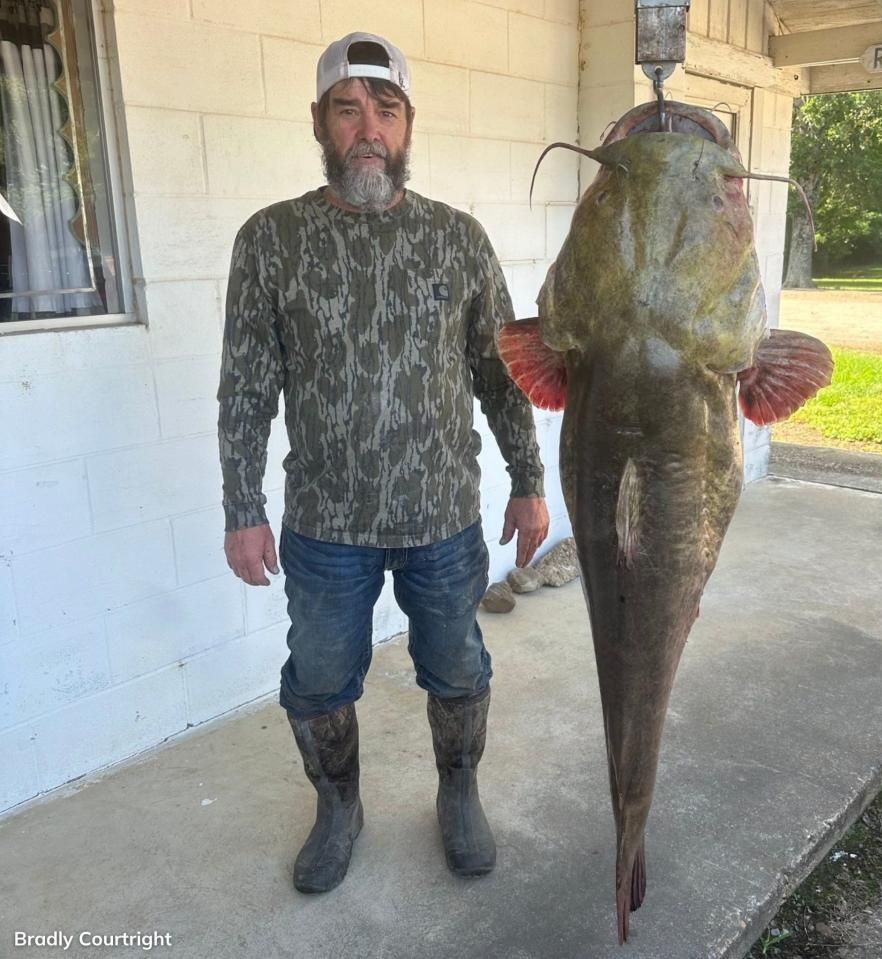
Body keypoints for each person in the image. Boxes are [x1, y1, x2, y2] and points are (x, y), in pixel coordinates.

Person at [217, 32, 550, 896]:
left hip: (442, 517)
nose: (368, 127)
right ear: (321, 123)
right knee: (319, 680)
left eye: (385, 110)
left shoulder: (457, 239)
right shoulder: (270, 240)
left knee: (459, 667)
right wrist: (241, 504)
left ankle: (459, 790)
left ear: (407, 126)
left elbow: (501, 374)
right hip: (325, 527)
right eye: (348, 108)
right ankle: (338, 807)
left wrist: (529, 481)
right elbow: (246, 387)